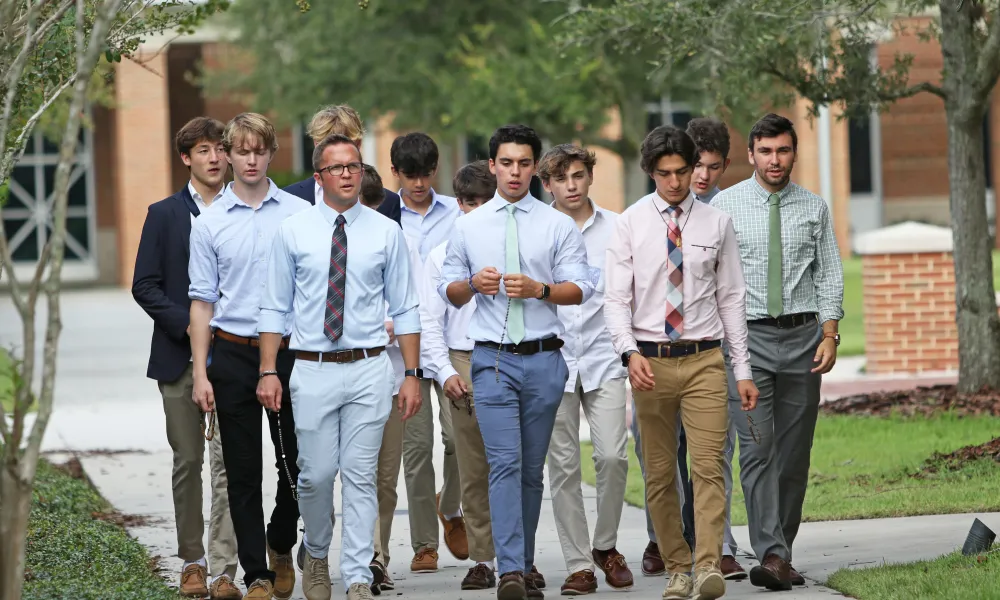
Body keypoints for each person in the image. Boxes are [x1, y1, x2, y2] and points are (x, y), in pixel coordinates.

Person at [257, 133, 423, 600]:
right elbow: (273, 307)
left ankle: (355, 573)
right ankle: (315, 551)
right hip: (311, 368)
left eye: (354, 166)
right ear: (319, 177)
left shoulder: (386, 232)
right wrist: (269, 370)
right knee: (315, 474)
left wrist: (410, 375)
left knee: (359, 472)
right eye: (337, 168)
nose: (348, 174)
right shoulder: (293, 231)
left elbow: (407, 308)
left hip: (370, 367)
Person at [440, 124, 594, 600]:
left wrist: (539, 289)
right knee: (503, 465)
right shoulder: (468, 224)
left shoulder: (556, 224)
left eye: (524, 163)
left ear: (535, 168)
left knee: (530, 471)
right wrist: (473, 284)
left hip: (545, 361)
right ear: (492, 166)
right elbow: (449, 289)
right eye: (506, 163)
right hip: (492, 362)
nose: (515, 172)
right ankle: (508, 569)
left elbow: (582, 288)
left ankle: (523, 563)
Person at [604, 125, 758, 600]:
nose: (675, 182)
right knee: (659, 471)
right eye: (665, 173)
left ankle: (708, 564)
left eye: (682, 172)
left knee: (709, 466)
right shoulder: (629, 223)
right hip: (649, 361)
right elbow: (615, 300)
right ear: (651, 172)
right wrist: (629, 354)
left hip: (705, 359)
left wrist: (743, 370)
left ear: (694, 169)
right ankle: (676, 566)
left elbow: (732, 298)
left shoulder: (717, 224)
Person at [711, 113, 844, 591]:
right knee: (757, 450)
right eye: (765, 151)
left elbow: (828, 274)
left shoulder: (814, 208)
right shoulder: (724, 206)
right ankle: (771, 553)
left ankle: (780, 554)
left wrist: (830, 335)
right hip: (747, 343)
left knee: (793, 455)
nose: (774, 159)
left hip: (804, 340)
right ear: (750, 154)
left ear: (793, 153)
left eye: (783, 151)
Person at [188, 112, 310, 600]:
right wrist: (201, 372)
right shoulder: (210, 222)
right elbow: (202, 302)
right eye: (242, 150)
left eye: (260, 150)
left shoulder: (297, 215)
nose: (251, 159)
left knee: (298, 466)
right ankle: (257, 574)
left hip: (289, 354)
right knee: (241, 471)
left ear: (271, 153)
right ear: (229, 155)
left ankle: (281, 539)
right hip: (233, 355)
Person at [132, 116, 240, 600]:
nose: (214, 157)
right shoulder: (164, 213)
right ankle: (193, 561)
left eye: (220, 148)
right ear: (186, 158)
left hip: (236, 357)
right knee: (188, 462)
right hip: (178, 360)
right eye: (203, 150)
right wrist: (191, 325)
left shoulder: (248, 210)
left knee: (230, 466)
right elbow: (145, 286)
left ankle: (225, 569)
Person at [537, 144, 633, 595]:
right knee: (563, 466)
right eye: (562, 179)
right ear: (548, 185)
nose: (571, 186)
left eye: (578, 175)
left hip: (604, 355)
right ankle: (579, 563)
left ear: (590, 176)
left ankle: (606, 545)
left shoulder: (618, 227)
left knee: (613, 456)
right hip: (553, 360)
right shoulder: (537, 230)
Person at [389, 132, 466, 573]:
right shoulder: (382, 216)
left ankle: (450, 507)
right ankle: (424, 544)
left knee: (459, 438)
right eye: (410, 175)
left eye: (426, 174)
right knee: (415, 449)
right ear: (396, 172)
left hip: (450, 342)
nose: (419, 184)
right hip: (402, 350)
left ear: (436, 171)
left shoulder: (458, 214)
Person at [419, 160, 497, 591]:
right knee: (469, 460)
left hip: (510, 355)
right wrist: (445, 370)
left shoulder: (514, 248)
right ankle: (483, 557)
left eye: (486, 201)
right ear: (459, 205)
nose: (478, 208)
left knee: (512, 461)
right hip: (463, 358)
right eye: (469, 202)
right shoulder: (439, 256)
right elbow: (429, 321)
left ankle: (517, 556)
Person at [283, 104, 401, 221]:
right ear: (316, 145)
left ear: (358, 144)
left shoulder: (388, 202)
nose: (337, 155)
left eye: (344, 146)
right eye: (329, 147)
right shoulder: (289, 198)